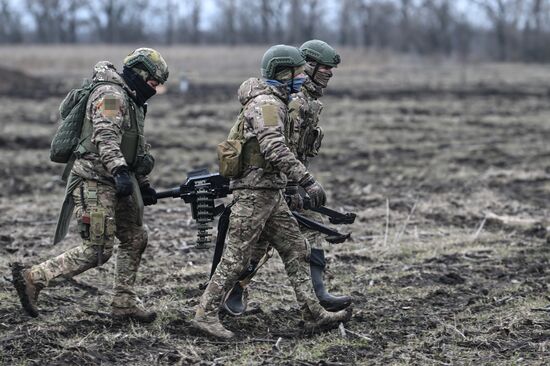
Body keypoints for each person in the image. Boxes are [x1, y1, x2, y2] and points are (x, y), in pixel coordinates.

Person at [191, 44, 351, 339]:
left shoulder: (277, 100)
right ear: (283, 74)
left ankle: (312, 313)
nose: (304, 79)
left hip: (269, 192)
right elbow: (274, 147)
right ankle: (205, 314)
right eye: (299, 73)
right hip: (254, 193)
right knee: (236, 258)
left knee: (296, 248)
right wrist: (307, 181)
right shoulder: (267, 104)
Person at [11, 48, 168, 323]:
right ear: (141, 75)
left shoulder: (133, 100)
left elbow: (134, 147)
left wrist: (142, 183)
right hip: (94, 182)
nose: (154, 89)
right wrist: (119, 171)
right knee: (97, 249)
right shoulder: (111, 96)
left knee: (135, 237)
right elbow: (105, 137)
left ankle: (124, 302)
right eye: (153, 83)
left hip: (116, 180)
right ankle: (34, 277)